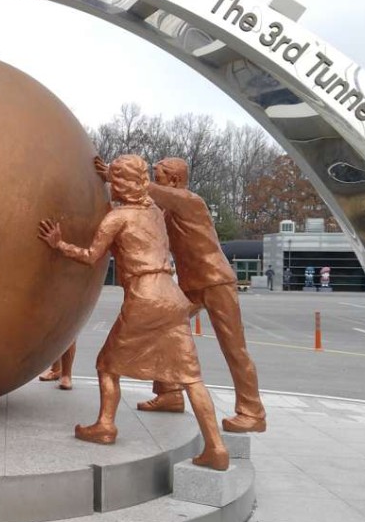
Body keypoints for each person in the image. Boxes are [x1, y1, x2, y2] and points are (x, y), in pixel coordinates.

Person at [38, 155, 229, 470]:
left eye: (116, 179)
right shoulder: (155, 212)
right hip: (172, 295)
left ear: (124, 183)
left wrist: (59, 245)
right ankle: (216, 448)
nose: (112, 186)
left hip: (145, 296)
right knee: (191, 378)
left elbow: (90, 257)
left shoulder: (117, 218)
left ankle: (105, 426)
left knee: (107, 365)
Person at [95, 155, 266, 434]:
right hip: (188, 287)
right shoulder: (164, 212)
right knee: (163, 325)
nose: (153, 178)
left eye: (158, 175)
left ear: (174, 180)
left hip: (216, 282)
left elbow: (147, 190)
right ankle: (170, 394)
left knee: (234, 347)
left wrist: (117, 176)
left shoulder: (190, 201)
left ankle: (252, 411)